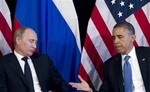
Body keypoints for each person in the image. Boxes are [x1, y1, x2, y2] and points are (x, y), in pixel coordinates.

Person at [69, 22, 150, 92]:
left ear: (132, 38)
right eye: (113, 38)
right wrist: (90, 90)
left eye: (120, 37)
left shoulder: (147, 54)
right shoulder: (110, 65)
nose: (116, 41)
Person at [0, 27, 69, 92]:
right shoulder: (3, 63)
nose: (34, 46)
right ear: (18, 40)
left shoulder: (44, 60)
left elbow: (59, 83)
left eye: (36, 42)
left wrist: (75, 88)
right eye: (31, 41)